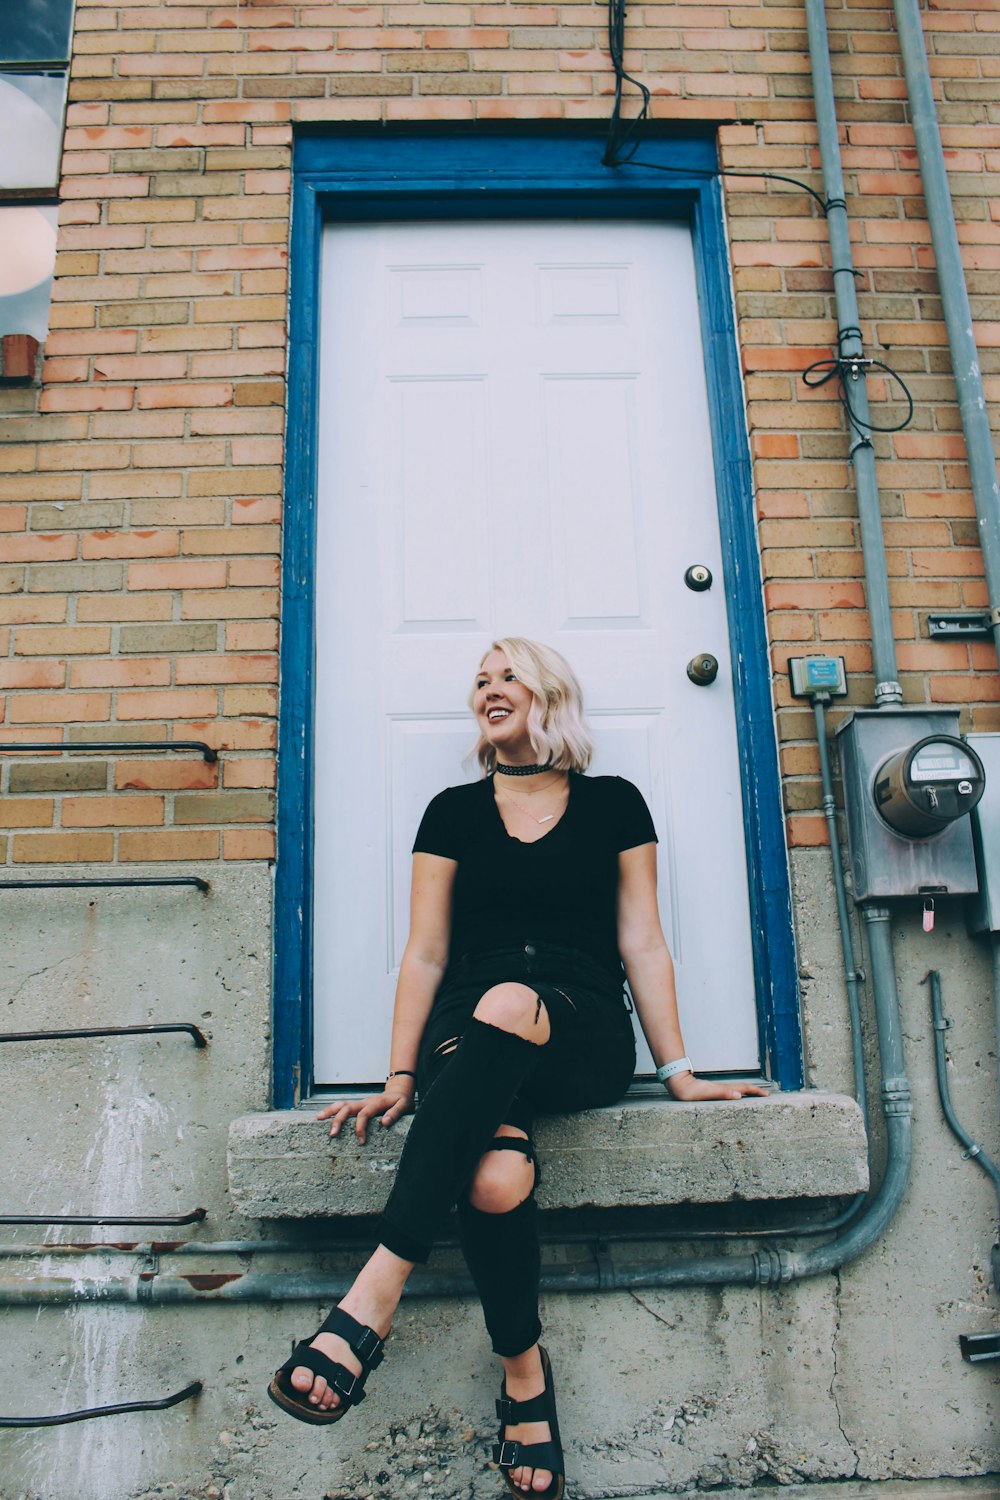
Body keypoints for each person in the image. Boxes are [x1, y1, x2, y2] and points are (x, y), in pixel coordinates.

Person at [268, 637, 768, 1498]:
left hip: (579, 1029)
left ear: (549, 694)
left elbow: (641, 941)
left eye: (508, 676)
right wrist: (398, 1077)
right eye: (480, 680)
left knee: (509, 1001)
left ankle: (371, 1298)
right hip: (472, 1028)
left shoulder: (615, 804)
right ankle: (525, 1376)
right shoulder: (451, 814)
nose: (489, 690)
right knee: (496, 1179)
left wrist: (680, 1070)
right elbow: (425, 955)